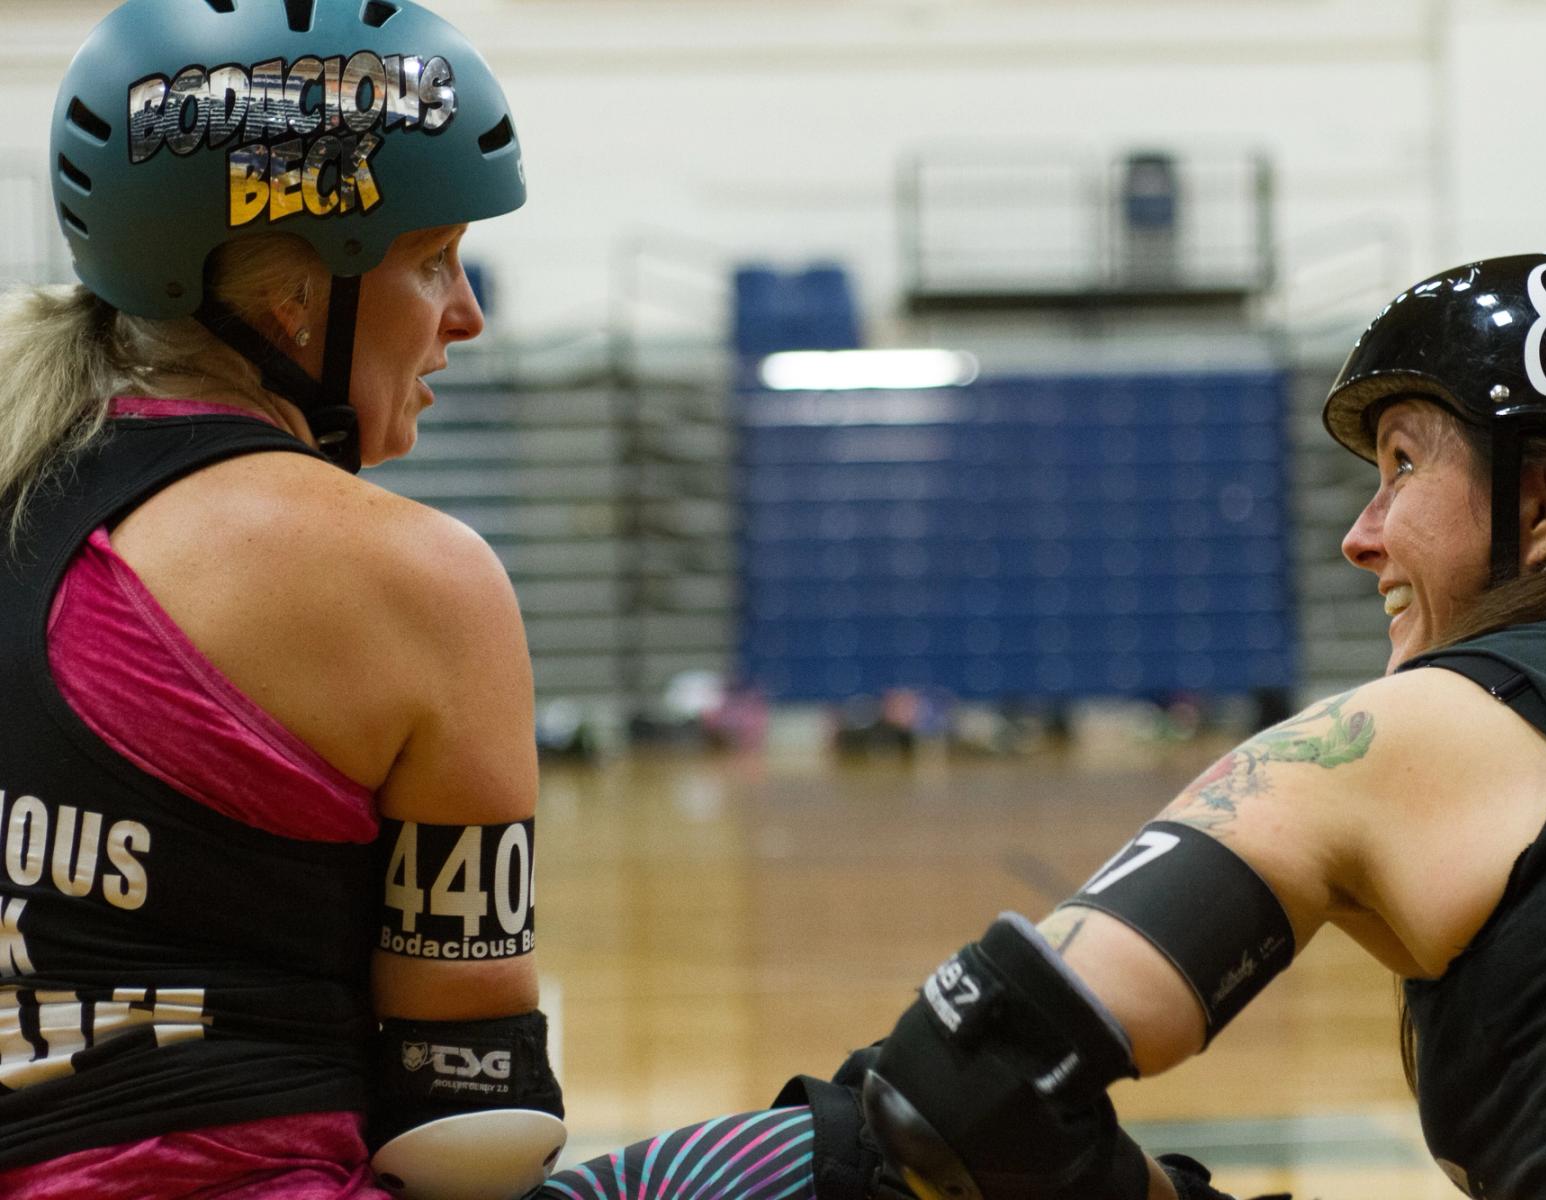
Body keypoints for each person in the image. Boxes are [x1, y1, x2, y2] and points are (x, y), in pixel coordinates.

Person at [0, 2, 884, 1198]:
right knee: (912, 1139)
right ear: (297, 296)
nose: (468, 314)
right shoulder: (411, 577)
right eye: (432, 260)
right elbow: (467, 1125)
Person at [854, 252, 1546, 1200]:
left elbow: (962, 1087)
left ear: (1545, 507)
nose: (1361, 535)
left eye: (1402, 465)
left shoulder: (1402, 729)